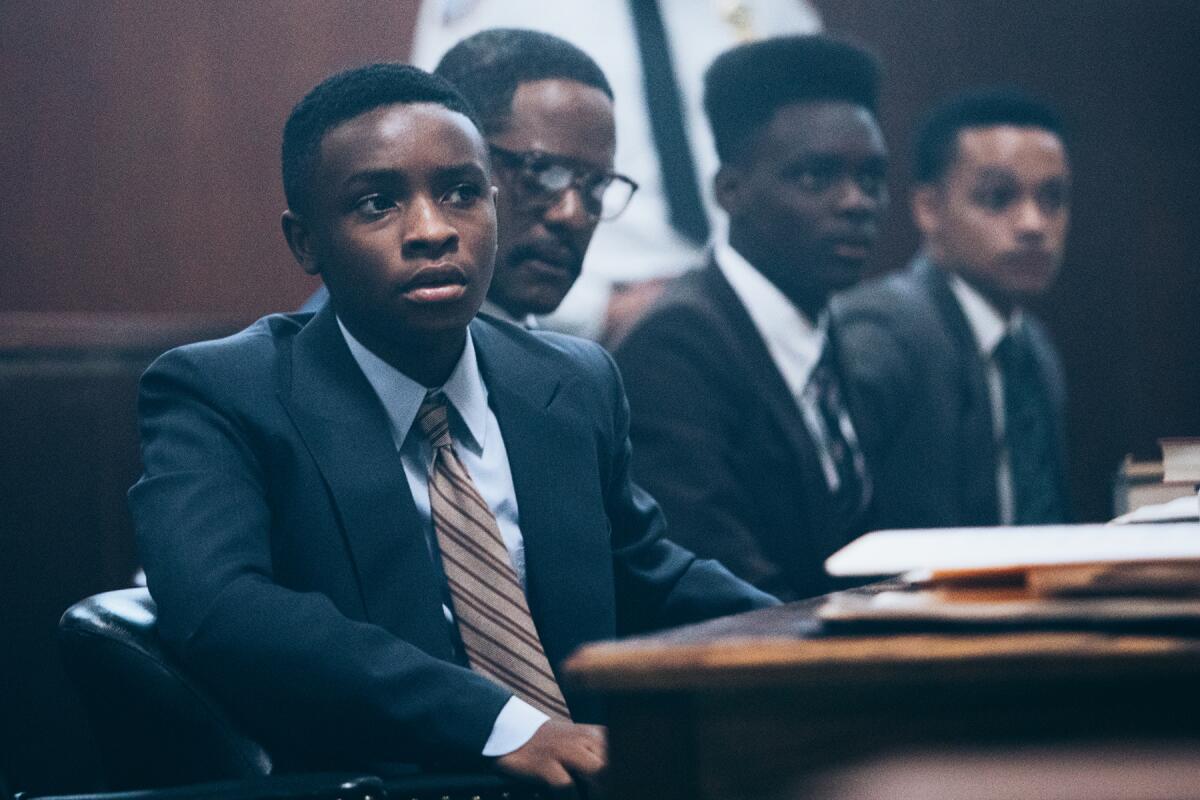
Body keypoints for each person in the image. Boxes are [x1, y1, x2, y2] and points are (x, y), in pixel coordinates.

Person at [130, 63, 775, 792]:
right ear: (306, 242)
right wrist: (498, 724)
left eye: (462, 194)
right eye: (377, 204)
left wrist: (836, 629)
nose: (433, 231)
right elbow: (220, 609)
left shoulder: (572, 381)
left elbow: (649, 577)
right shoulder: (223, 392)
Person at [613, 36, 888, 601]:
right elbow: (721, 586)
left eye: (870, 178)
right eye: (816, 177)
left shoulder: (834, 334)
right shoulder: (675, 347)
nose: (856, 202)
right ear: (729, 190)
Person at [408, 0, 822, 341]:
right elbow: (444, 157)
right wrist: (595, 314)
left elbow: (820, 161)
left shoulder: (773, 10)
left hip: (738, 311)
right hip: (573, 309)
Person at [835, 88, 1072, 529]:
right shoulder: (884, 332)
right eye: (998, 198)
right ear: (928, 208)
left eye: (1052, 199)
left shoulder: (1032, 346)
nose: (1034, 224)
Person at [304, 29, 639, 331]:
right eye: (542, 173)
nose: (573, 215)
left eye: (597, 185)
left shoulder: (577, 376)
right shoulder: (304, 379)